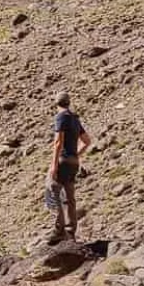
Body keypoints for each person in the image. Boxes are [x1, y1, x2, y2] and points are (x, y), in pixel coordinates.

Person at [46, 91, 91, 244]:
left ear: (56, 103)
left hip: (63, 160)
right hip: (73, 163)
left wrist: (54, 164)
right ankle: (71, 232)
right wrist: (75, 155)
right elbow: (87, 141)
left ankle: (59, 230)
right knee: (69, 198)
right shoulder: (75, 119)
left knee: (52, 190)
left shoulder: (61, 117)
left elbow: (58, 142)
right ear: (68, 102)